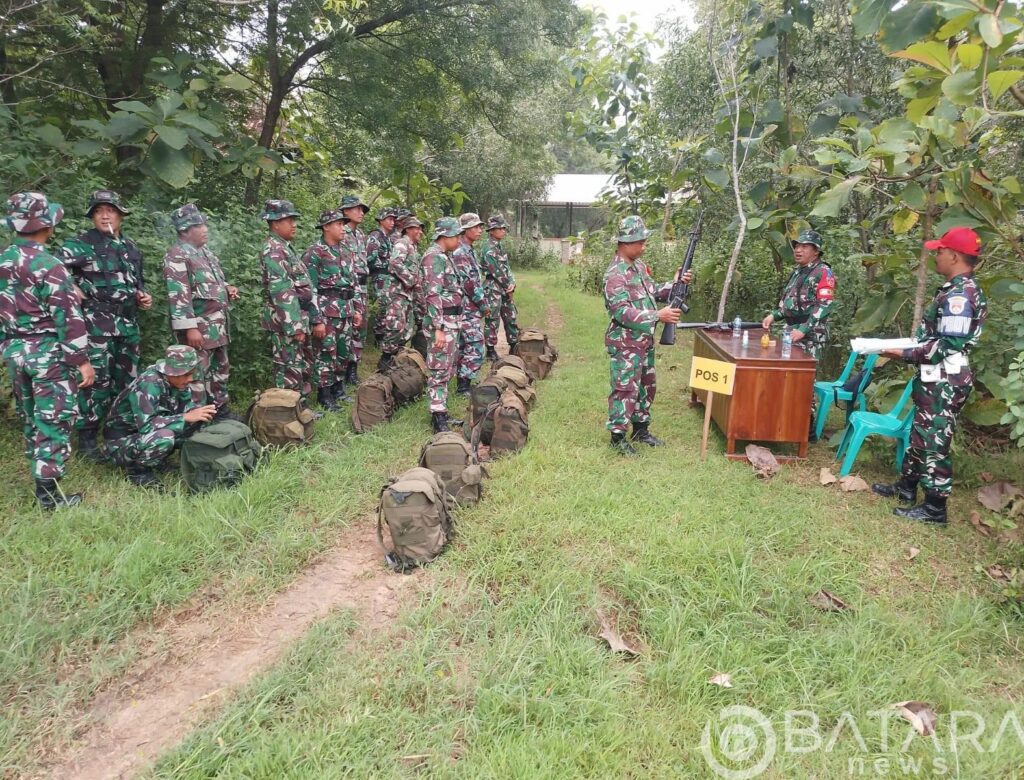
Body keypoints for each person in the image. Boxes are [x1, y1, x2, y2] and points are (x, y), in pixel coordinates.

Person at [872, 227, 988, 524]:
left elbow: (948, 345)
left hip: (946, 380)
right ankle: (907, 487)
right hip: (935, 377)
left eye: (940, 251)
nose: (936, 255)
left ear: (954, 256)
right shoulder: (953, 289)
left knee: (935, 442)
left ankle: (935, 508)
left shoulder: (960, 296)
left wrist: (901, 353)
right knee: (921, 434)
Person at [1, 192, 95, 508]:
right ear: (47, 226)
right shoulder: (49, 266)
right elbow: (68, 317)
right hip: (48, 354)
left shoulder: (3, 260)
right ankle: (49, 497)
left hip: (15, 350)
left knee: (31, 415)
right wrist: (81, 360)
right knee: (53, 420)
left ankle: (39, 472)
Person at [61, 189, 151, 460]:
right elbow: (51, 270)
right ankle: (87, 438)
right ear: (92, 216)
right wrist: (70, 286)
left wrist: (143, 296)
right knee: (96, 381)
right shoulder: (81, 244)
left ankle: (118, 431)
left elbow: (137, 282)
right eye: (98, 211)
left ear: (121, 215)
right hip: (96, 325)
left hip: (127, 324)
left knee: (127, 380)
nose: (104, 216)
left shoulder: (130, 247)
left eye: (110, 210)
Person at [603, 215, 691, 456]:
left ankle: (641, 430)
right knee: (624, 388)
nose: (644, 246)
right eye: (640, 242)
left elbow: (653, 291)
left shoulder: (639, 267)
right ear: (625, 243)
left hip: (643, 341)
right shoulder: (615, 275)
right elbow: (621, 312)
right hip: (625, 343)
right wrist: (657, 316)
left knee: (646, 386)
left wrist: (675, 283)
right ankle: (617, 437)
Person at [163, 203, 239, 418]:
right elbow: (179, 295)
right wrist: (190, 328)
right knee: (196, 374)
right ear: (184, 231)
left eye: (204, 224)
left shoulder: (205, 253)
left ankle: (219, 411)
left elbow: (211, 282)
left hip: (217, 326)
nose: (205, 229)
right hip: (198, 329)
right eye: (199, 225)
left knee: (220, 370)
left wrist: (227, 288)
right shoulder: (177, 256)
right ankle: (194, 417)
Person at [102, 345, 217, 487]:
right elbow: (147, 426)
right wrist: (184, 417)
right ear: (173, 372)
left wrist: (199, 414)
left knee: (198, 422)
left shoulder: (178, 382)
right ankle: (138, 472)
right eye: (187, 374)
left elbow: (186, 408)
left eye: (191, 373)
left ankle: (160, 461)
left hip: (142, 437)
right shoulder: (149, 383)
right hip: (121, 443)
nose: (190, 379)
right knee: (165, 437)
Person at [761, 228, 835, 440]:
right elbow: (790, 303)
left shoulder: (823, 272)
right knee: (785, 376)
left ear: (816, 251)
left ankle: (806, 429)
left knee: (804, 380)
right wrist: (774, 315)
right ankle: (783, 421)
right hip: (790, 331)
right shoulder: (798, 272)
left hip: (810, 335)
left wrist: (804, 329)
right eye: (797, 246)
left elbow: (825, 305)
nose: (798, 250)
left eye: (804, 247)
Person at [259, 200, 323, 398]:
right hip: (286, 322)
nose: (294, 224)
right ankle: (287, 408)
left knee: (300, 363)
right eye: (289, 220)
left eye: (294, 220)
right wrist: (294, 326)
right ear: (275, 223)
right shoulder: (274, 249)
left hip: (297, 317)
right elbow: (282, 291)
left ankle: (300, 405)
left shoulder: (284, 247)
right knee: (289, 367)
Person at [303, 208, 362, 411]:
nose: (343, 228)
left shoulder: (345, 250)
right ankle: (324, 394)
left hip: (346, 309)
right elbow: (309, 289)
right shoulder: (314, 253)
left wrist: (357, 309)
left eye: (343, 224)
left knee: (343, 351)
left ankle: (338, 388)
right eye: (338, 224)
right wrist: (316, 319)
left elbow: (353, 283)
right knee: (326, 352)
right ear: (326, 227)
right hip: (326, 311)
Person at [421, 217, 465, 432]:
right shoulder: (434, 258)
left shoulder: (443, 256)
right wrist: (438, 328)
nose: (459, 239)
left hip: (450, 322)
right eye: (456, 235)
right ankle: (438, 419)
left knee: (447, 369)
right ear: (445, 235)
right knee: (439, 370)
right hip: (442, 324)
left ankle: (442, 411)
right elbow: (433, 295)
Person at [376, 214, 424, 371]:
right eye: (417, 229)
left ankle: (396, 360)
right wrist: (411, 280)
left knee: (405, 329)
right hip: (397, 293)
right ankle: (385, 360)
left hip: (406, 295)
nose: (420, 232)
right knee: (395, 326)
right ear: (408, 229)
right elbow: (395, 263)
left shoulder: (413, 247)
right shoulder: (402, 243)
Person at [451, 213, 490, 395]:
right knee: (475, 345)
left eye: (480, 226)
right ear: (465, 230)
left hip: (468, 307)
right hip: (467, 307)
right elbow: (469, 284)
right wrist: (483, 304)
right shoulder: (460, 253)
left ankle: (463, 382)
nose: (480, 230)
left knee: (466, 344)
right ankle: (464, 385)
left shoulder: (468, 250)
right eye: (475, 227)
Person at [480, 213, 520, 360]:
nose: (503, 231)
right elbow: (496, 271)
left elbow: (507, 268)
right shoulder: (488, 248)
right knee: (493, 318)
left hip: (504, 286)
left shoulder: (499, 246)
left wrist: (512, 283)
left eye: (504, 228)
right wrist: (508, 286)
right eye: (500, 228)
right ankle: (490, 350)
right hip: (493, 287)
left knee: (510, 315)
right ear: (492, 231)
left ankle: (514, 345)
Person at [340, 194, 370, 384]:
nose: (361, 213)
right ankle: (342, 370)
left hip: (362, 287)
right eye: (356, 209)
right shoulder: (341, 233)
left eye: (362, 210)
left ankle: (353, 368)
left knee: (360, 328)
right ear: (345, 211)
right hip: (349, 286)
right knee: (348, 328)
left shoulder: (360, 235)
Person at [366, 206, 397, 336]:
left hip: (387, 276)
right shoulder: (375, 236)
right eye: (389, 219)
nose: (392, 222)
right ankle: (379, 335)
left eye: (393, 220)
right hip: (379, 275)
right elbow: (369, 257)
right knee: (383, 305)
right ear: (381, 220)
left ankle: (384, 334)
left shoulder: (387, 237)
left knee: (388, 305)